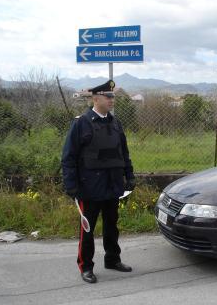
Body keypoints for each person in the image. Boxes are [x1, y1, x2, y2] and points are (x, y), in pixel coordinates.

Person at [61, 80, 136, 284]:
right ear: (95, 99)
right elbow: (68, 157)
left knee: (112, 226)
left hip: (112, 185)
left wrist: (129, 176)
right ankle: (86, 266)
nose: (112, 100)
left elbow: (123, 153)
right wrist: (71, 185)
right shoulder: (81, 123)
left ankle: (112, 259)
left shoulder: (115, 122)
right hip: (89, 187)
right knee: (88, 230)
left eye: (113, 96)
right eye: (108, 96)